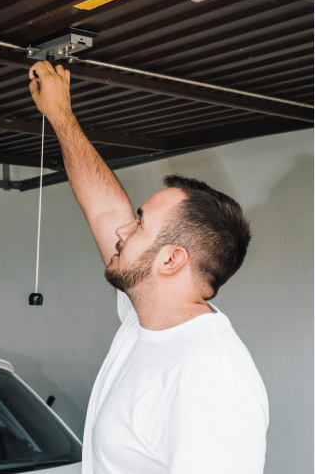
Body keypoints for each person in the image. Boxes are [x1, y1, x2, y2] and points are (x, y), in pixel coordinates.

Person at [28, 61, 269, 474]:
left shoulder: (212, 378)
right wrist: (60, 116)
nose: (123, 228)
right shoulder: (143, 320)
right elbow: (105, 210)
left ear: (171, 259)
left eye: (139, 222)